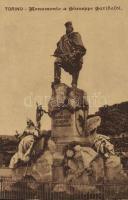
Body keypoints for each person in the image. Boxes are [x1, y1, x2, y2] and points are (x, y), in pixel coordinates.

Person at [53, 21, 86, 88]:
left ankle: (74, 83)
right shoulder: (63, 38)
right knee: (57, 61)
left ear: (71, 27)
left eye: (69, 26)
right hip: (66, 60)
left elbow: (81, 49)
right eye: (66, 27)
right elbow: (58, 49)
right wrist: (59, 54)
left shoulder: (76, 35)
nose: (68, 28)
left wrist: (73, 55)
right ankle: (57, 79)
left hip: (75, 59)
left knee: (77, 63)